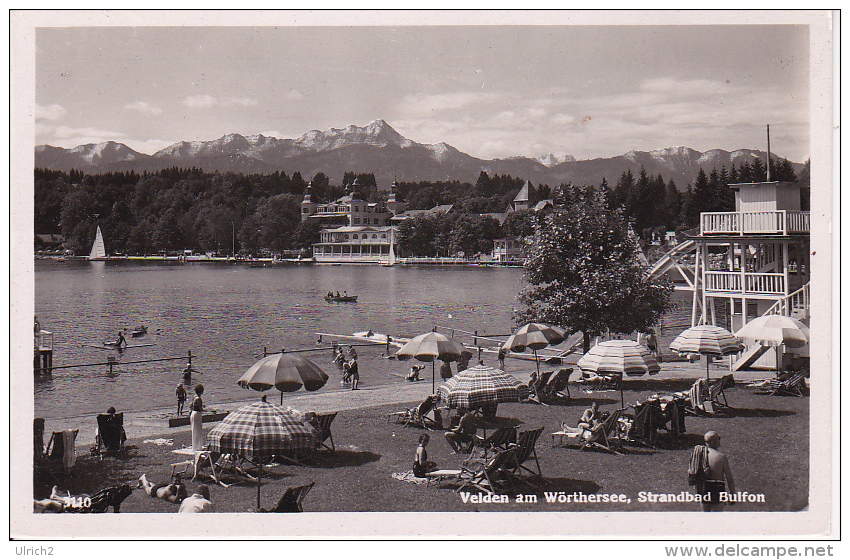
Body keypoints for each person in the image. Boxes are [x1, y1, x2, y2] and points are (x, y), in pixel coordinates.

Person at [702, 431, 735, 512]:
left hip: (704, 487)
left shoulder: (700, 455)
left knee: (705, 517)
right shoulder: (721, 457)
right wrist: (732, 495)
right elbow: (729, 478)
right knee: (716, 518)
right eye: (718, 439)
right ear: (715, 441)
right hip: (717, 486)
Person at [190, 384, 205, 451]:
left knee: (194, 429)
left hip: (193, 413)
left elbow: (190, 405)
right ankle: (198, 446)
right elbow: (200, 408)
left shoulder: (194, 397)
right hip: (197, 413)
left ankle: (195, 446)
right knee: (198, 430)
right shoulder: (198, 398)